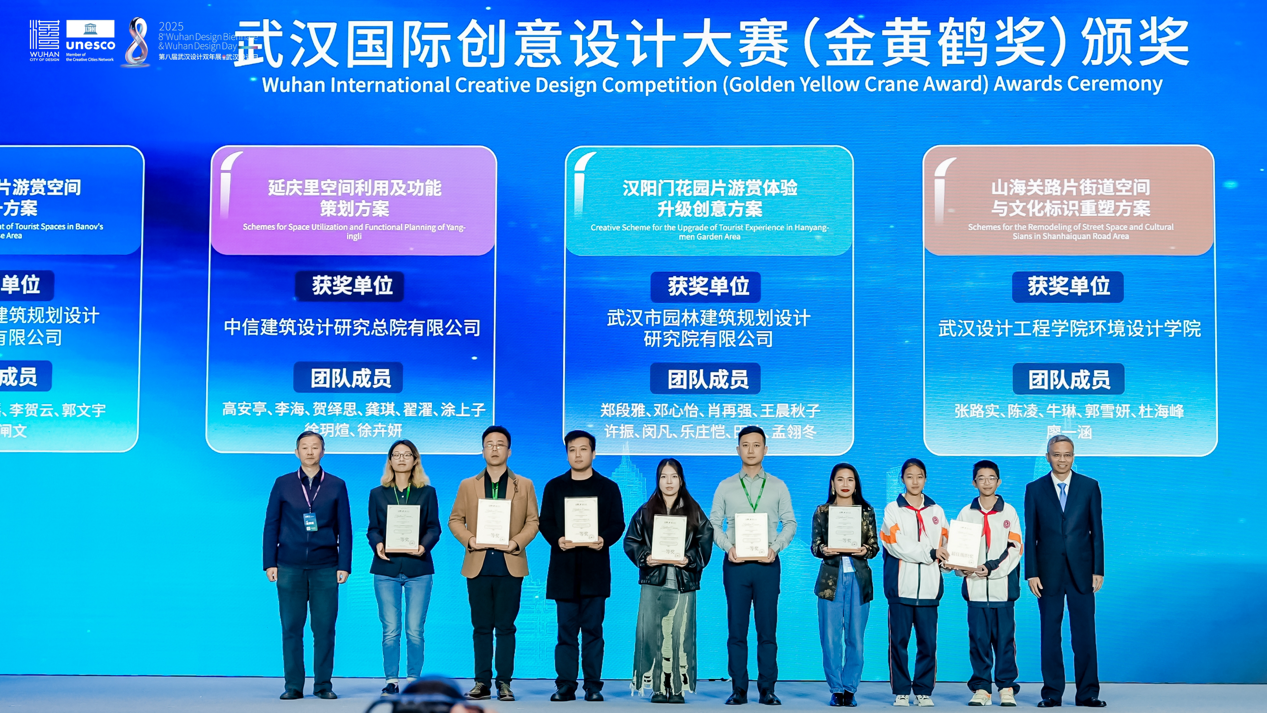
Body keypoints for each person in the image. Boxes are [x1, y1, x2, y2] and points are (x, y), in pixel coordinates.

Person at [449, 426, 540, 703]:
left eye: (500, 444)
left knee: (506, 627)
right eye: (489, 444)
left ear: (509, 451)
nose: (495, 448)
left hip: (509, 563)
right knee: (481, 627)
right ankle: (481, 682)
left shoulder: (524, 484)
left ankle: (504, 683)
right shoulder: (468, 484)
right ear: (482, 450)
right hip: (478, 564)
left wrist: (516, 543)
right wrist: (470, 539)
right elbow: (455, 519)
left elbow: (533, 521)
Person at [709, 425, 797, 706]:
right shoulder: (725, 486)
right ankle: (738, 689)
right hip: (736, 565)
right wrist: (728, 547)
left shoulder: (778, 485)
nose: (751, 450)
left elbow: (790, 523)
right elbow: (713, 524)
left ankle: (767, 689)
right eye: (745, 445)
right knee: (737, 630)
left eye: (756, 445)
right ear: (738, 449)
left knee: (767, 630)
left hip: (767, 565)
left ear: (765, 450)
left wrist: (775, 548)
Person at [262, 430, 352, 700]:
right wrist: (269, 562)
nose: (310, 452)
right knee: (291, 628)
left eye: (315, 447)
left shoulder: (336, 485)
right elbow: (271, 524)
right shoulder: (283, 484)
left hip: (326, 566)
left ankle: (323, 685)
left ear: (323, 452)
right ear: (296, 452)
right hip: (289, 566)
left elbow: (345, 528)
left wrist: (344, 564)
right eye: (305, 447)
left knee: (324, 629)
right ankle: (293, 686)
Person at [538, 430, 626, 702]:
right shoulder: (554, 486)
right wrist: (557, 539)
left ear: (594, 453)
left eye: (583, 449)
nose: (577, 454)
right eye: (572, 450)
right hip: (563, 570)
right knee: (565, 633)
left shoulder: (608, 487)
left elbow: (617, 524)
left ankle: (593, 686)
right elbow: (545, 522)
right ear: (567, 454)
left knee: (593, 632)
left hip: (594, 571)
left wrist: (603, 539)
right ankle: (565, 685)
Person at [624, 458, 715, 703]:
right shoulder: (645, 511)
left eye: (673, 476)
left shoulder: (694, 510)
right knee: (651, 633)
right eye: (664, 476)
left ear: (681, 480)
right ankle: (657, 687)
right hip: (654, 580)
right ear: (658, 480)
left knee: (680, 634)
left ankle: (676, 688)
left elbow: (705, 540)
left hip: (682, 581)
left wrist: (690, 559)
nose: (669, 482)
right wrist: (645, 557)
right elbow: (630, 541)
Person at [1025, 435, 1106, 708]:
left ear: (1073, 456)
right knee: (1050, 634)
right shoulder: (1034, 489)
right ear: (1048, 457)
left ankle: (1088, 693)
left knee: (1085, 634)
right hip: (1047, 573)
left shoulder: (1089, 486)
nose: (1062, 459)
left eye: (1067, 454)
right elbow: (1031, 533)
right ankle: (1051, 693)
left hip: (1082, 571)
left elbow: (1097, 531)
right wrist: (1031, 572)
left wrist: (1098, 569)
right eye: (1057, 454)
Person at [367, 439, 442, 695]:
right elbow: (373, 529)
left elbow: (434, 527)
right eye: (396, 455)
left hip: (418, 568)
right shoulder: (377, 493)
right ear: (390, 461)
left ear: (415, 460)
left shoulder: (427, 492)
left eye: (406, 454)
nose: (401, 459)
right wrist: (377, 544)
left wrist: (423, 546)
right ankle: (391, 680)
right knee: (390, 630)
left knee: (414, 630)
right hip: (386, 569)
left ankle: (413, 681)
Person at [951, 461, 1022, 708]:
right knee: (978, 641)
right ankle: (982, 688)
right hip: (975, 591)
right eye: (981, 478)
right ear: (974, 483)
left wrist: (990, 569)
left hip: (1003, 591)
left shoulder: (1009, 512)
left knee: (1005, 642)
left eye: (991, 478)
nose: (987, 482)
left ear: (999, 482)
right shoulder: (966, 513)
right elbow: (958, 551)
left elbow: (1015, 549)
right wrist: (960, 568)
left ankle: (1006, 687)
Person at [881, 457, 948, 708]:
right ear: (902, 479)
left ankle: (923, 690)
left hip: (930, 589)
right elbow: (896, 545)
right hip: (901, 588)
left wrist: (949, 559)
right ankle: (901, 691)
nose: (915, 481)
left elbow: (946, 544)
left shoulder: (937, 511)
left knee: (928, 644)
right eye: (910, 476)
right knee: (898, 643)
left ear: (925, 479)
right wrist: (931, 552)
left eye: (919, 476)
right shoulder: (892, 510)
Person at [810, 463, 879, 708]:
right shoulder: (822, 511)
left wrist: (865, 549)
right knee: (830, 638)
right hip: (831, 580)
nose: (845, 484)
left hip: (859, 580)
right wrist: (824, 549)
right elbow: (815, 545)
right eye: (840, 479)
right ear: (832, 484)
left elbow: (874, 546)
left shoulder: (866, 512)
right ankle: (836, 689)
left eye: (850, 479)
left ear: (856, 484)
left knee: (855, 638)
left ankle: (850, 688)